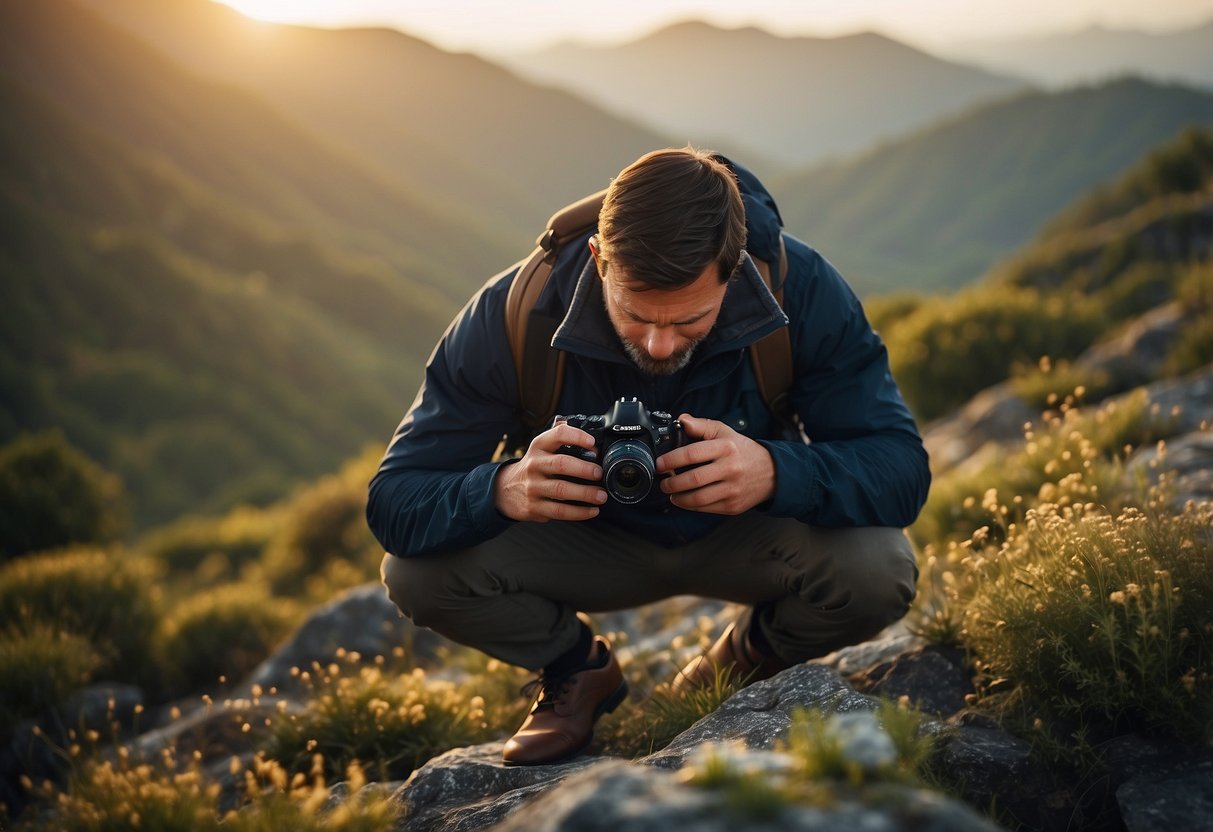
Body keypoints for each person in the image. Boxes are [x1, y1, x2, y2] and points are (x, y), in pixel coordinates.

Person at [368, 147, 929, 767]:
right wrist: (503, 488)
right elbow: (395, 501)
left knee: (879, 570)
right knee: (416, 574)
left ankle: (741, 661)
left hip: (747, 531)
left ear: (734, 270)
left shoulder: (804, 292)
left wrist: (775, 471)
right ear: (598, 260)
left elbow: (900, 467)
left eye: (691, 320)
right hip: (582, 541)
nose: (660, 345)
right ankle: (576, 669)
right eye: (635, 314)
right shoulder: (513, 314)